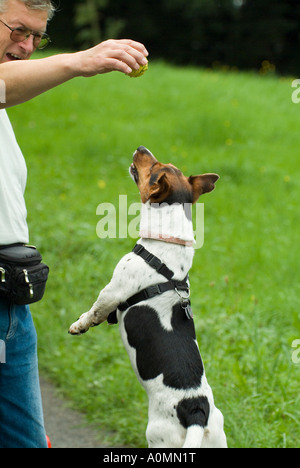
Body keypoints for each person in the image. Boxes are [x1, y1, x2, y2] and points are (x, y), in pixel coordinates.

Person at [0, 0, 148, 448]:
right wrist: (79, 61)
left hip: (10, 301)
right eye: (18, 30)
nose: (26, 47)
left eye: (37, 37)